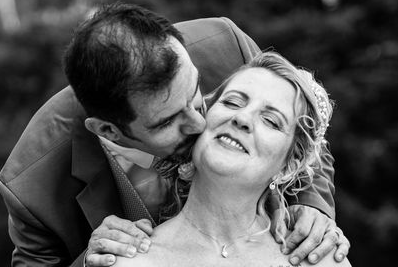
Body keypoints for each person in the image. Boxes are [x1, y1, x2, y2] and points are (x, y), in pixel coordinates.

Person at [0, 3, 349, 267]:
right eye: (167, 123)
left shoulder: (226, 47)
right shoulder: (31, 187)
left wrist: (311, 205)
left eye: (196, 92)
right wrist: (93, 260)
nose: (198, 123)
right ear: (109, 130)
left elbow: (300, 128)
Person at [113, 51, 351, 267]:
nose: (242, 118)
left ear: (290, 165)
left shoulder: (323, 261)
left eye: (271, 120)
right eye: (232, 102)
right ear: (200, 123)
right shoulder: (127, 260)